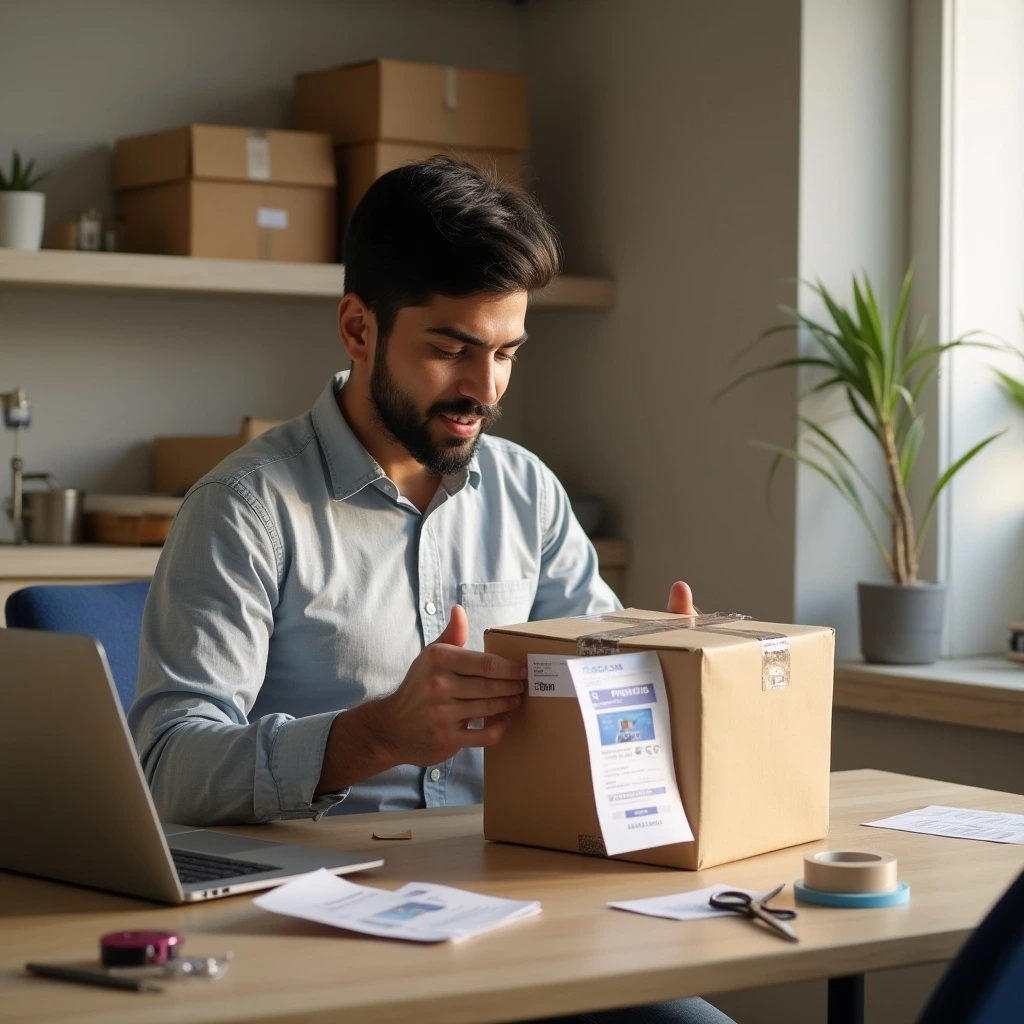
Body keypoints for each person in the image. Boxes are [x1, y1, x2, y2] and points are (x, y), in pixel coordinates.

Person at [129, 157, 733, 1024]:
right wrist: (372, 736)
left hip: (521, 906)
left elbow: (598, 676)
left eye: (506, 354)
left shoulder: (526, 491)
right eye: (451, 349)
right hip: (316, 929)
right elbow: (166, 769)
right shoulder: (244, 509)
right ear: (358, 327)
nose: (483, 390)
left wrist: (662, 675)